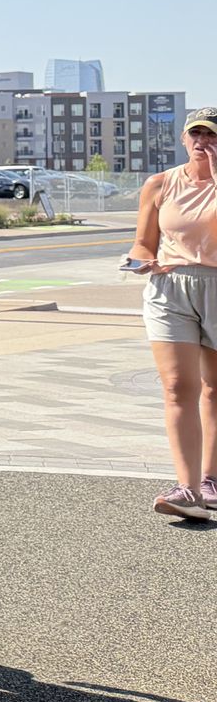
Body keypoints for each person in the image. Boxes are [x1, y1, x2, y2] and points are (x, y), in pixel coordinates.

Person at [126, 106, 217, 520]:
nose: (203, 142)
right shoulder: (160, 184)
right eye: (196, 134)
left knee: (215, 388)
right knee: (179, 386)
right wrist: (139, 259)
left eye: (212, 136)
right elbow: (143, 242)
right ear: (183, 139)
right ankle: (188, 489)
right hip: (169, 289)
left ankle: (211, 479)